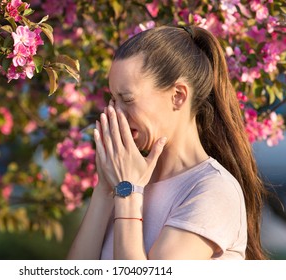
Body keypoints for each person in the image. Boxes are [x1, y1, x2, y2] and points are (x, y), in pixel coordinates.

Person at [67, 25, 267, 260]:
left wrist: (128, 194)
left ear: (178, 96)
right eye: (113, 99)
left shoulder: (213, 190)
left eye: (127, 99)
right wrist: (104, 188)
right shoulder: (127, 178)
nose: (116, 113)